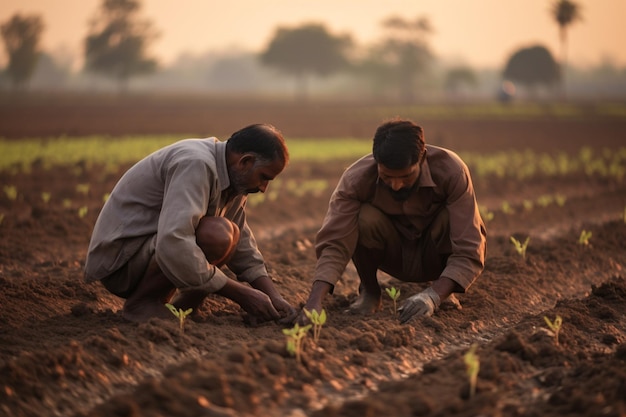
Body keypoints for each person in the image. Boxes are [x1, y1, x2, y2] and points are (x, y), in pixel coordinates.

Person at [84, 123, 295, 323]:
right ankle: (143, 303)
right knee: (216, 234)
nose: (264, 188)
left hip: (149, 253)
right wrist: (241, 294)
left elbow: (242, 243)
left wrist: (272, 296)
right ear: (245, 161)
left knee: (231, 233)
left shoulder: (237, 178)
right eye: (264, 177)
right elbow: (173, 240)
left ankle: (182, 305)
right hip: (121, 261)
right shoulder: (195, 163)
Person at [298, 118, 486, 324]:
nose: (396, 185)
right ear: (376, 162)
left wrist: (433, 295)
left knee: (448, 217)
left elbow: (469, 248)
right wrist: (314, 302)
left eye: (406, 177)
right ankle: (370, 291)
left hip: (434, 256)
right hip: (392, 255)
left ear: (422, 158)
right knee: (363, 218)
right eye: (387, 177)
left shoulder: (452, 171)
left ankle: (443, 289)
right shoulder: (356, 180)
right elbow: (335, 243)